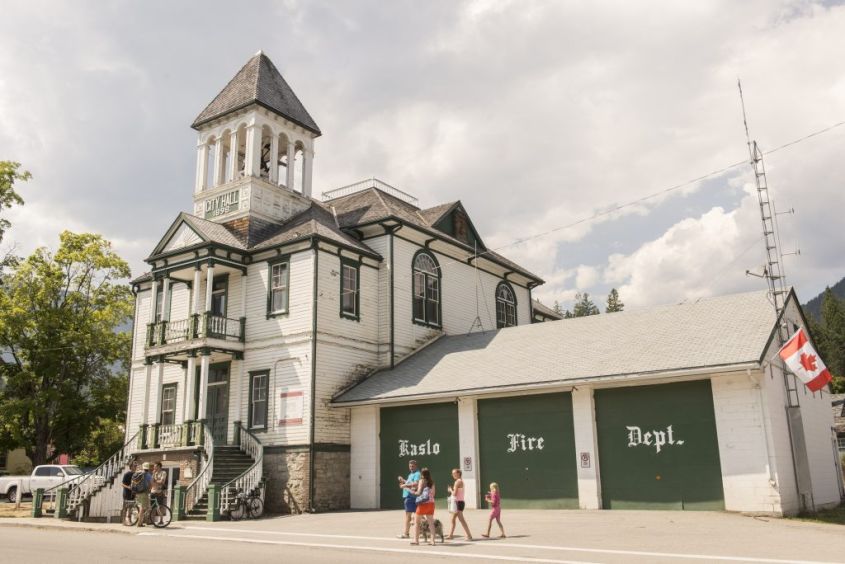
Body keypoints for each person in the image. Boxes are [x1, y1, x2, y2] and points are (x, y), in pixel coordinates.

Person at [410, 467, 436, 546]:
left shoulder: (422, 481)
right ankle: (432, 541)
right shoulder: (432, 482)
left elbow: (419, 492)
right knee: (431, 523)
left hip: (422, 504)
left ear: (422, 474)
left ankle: (416, 540)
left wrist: (412, 491)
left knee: (417, 523)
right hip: (431, 504)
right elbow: (434, 494)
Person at [446, 468, 472, 540]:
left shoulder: (457, 482)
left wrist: (450, 490)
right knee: (453, 519)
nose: (452, 475)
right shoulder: (460, 481)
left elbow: (454, 494)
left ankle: (469, 535)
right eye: (452, 473)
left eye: (454, 473)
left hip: (458, 502)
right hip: (459, 502)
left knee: (461, 519)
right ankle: (451, 535)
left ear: (458, 474)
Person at [397, 459, 420, 539]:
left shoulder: (417, 473)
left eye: (413, 466)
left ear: (416, 466)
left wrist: (404, 486)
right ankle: (425, 532)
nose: (411, 467)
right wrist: (403, 480)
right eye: (410, 466)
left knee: (408, 516)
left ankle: (406, 534)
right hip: (410, 497)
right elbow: (409, 483)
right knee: (418, 515)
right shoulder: (411, 474)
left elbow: (416, 484)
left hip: (411, 497)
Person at [131, 462, 153, 527]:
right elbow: (151, 484)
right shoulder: (148, 475)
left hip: (137, 492)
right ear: (148, 468)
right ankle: (139, 523)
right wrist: (150, 489)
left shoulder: (138, 473)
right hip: (144, 492)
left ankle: (140, 521)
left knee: (141, 507)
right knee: (142, 508)